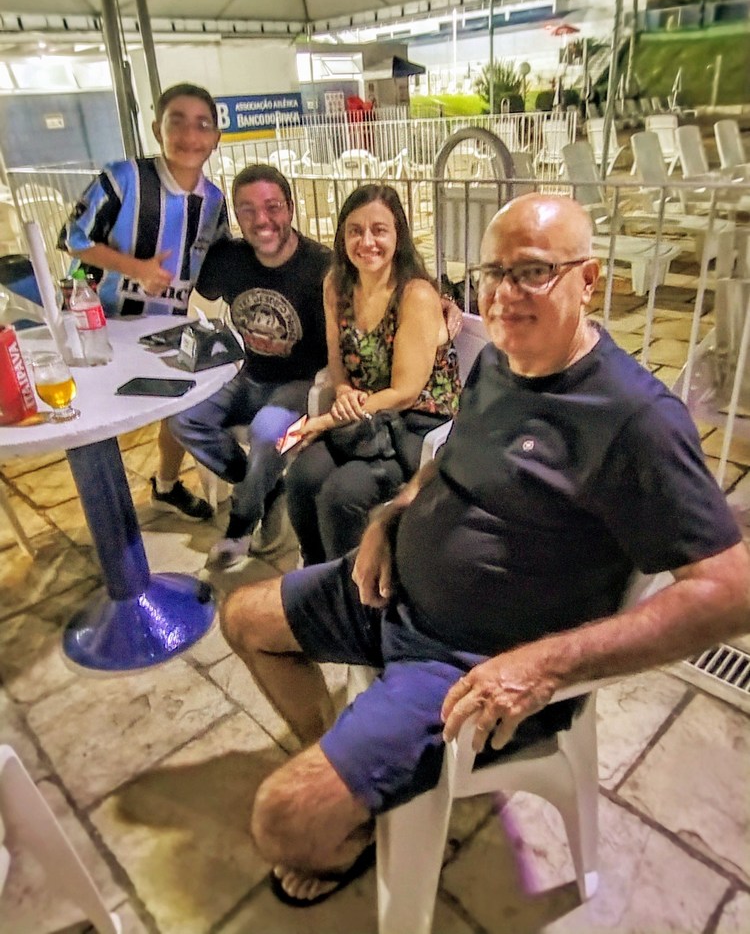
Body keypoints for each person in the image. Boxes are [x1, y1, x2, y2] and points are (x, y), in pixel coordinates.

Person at [217, 192, 750, 908]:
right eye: (493, 272)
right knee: (242, 617)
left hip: (467, 661)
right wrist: (388, 519)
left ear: (588, 281)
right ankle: (349, 760)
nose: (502, 294)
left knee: (283, 823)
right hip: (390, 589)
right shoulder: (500, 360)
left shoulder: (635, 419)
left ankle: (352, 806)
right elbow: (445, 460)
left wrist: (544, 666)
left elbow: (730, 592)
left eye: (532, 272)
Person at [59, 81, 229, 521]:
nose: (190, 135)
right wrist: (136, 268)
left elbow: (215, 265)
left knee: (179, 405)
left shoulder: (214, 201)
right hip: (100, 325)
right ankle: (107, 515)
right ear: (157, 129)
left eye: (203, 125)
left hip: (167, 325)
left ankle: (166, 486)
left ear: (216, 138)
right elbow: (74, 238)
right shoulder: (122, 178)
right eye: (178, 122)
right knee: (96, 418)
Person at [285, 183, 461, 565]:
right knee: (301, 477)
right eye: (355, 230)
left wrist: (325, 420)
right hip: (362, 418)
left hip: (414, 424)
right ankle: (317, 575)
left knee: (340, 496)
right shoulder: (336, 285)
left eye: (379, 230)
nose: (367, 242)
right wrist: (343, 391)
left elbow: (405, 391)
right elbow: (337, 360)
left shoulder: (415, 295)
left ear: (398, 235)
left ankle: (353, 591)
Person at [168, 164, 331, 569]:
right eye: (247, 210)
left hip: (305, 388)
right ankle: (265, 487)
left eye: (272, 207)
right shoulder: (231, 259)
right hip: (244, 375)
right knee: (183, 419)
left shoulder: (322, 267)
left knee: (268, 434)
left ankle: (240, 523)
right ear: (236, 218)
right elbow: (192, 280)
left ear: (290, 208)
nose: (261, 220)